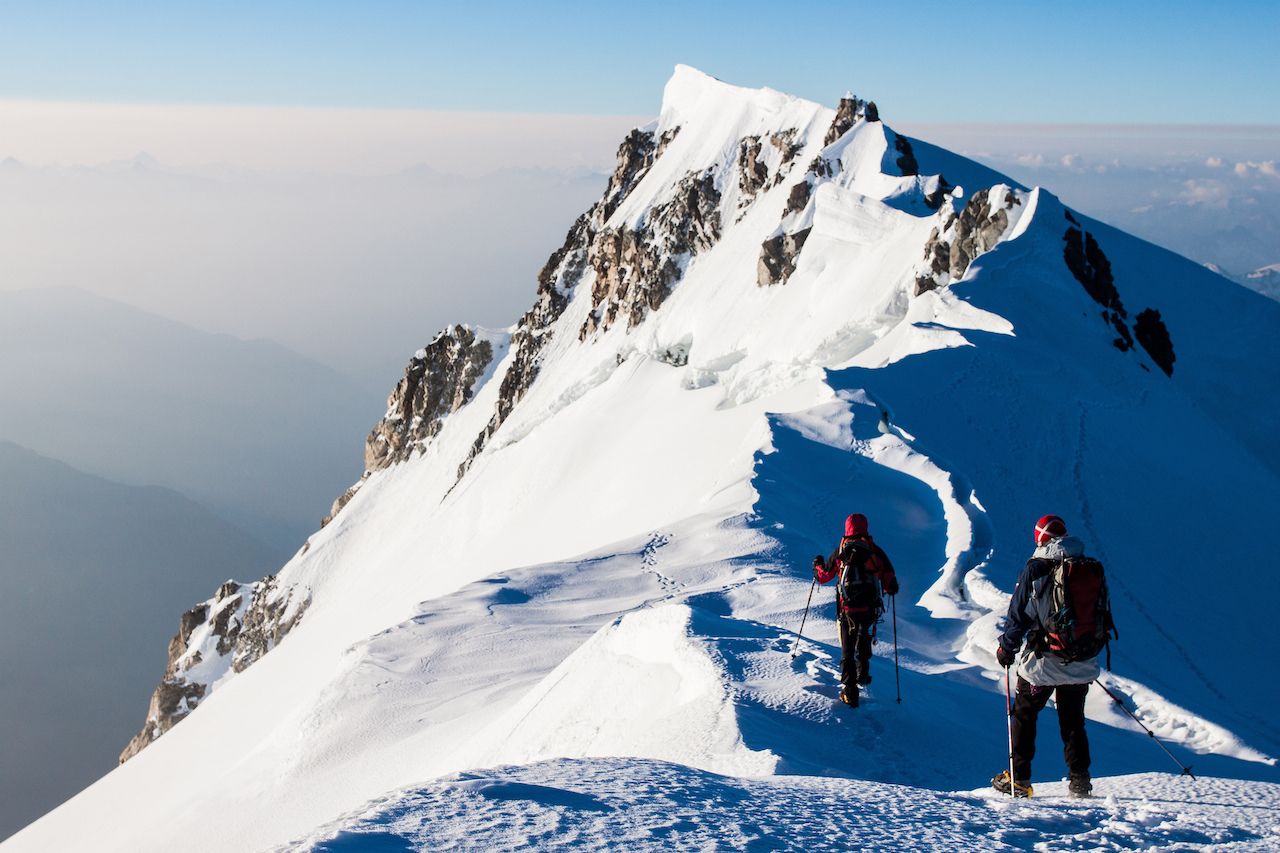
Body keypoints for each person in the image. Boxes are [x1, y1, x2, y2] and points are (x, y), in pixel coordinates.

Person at [993, 514, 1106, 799]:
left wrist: (1007, 649)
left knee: (1024, 715)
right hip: (1081, 659)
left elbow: (1018, 616)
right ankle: (1080, 781)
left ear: (1039, 538)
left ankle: (1019, 779)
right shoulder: (1088, 567)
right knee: (1073, 720)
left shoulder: (1036, 569)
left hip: (1042, 663)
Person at [813, 513, 898, 707]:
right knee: (864, 634)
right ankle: (863, 673)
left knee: (847, 649)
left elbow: (824, 576)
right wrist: (890, 587)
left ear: (847, 528)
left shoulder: (841, 551)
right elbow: (890, 580)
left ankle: (850, 691)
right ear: (865, 528)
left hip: (847, 609)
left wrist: (817, 565)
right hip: (869, 608)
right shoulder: (874, 551)